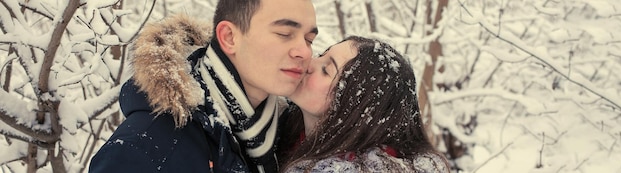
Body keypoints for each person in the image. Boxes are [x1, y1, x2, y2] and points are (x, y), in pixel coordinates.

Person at [89, 0, 318, 172]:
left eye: (309, 40)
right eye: (284, 33)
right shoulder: (145, 148)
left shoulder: (288, 137)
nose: (304, 51)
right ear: (229, 37)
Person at [277, 36, 450, 172]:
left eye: (326, 70)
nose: (309, 62)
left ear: (355, 108)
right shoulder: (279, 129)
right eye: (321, 55)